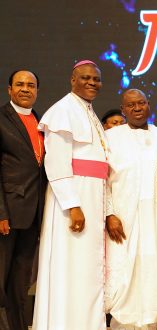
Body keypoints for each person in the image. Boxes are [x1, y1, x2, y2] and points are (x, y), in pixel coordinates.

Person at [33, 60, 108, 329]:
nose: (91, 83)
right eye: (85, 78)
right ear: (72, 79)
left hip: (92, 193)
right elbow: (57, 163)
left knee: (86, 270)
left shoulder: (88, 111)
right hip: (74, 197)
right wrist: (73, 205)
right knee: (70, 268)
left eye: (96, 79)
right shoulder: (62, 111)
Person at [104, 89, 157, 329]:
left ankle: (155, 320)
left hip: (156, 215)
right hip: (123, 215)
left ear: (149, 105)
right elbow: (104, 180)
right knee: (123, 269)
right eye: (131, 105)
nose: (137, 108)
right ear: (123, 110)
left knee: (155, 265)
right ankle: (123, 323)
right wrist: (109, 213)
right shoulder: (110, 137)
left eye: (141, 103)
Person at [0, 70, 47, 330]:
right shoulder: (2, 118)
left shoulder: (40, 121)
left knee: (19, 285)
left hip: (33, 214)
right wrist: (0, 213)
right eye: (20, 84)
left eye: (31, 85)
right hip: (7, 214)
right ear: (9, 89)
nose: (26, 89)